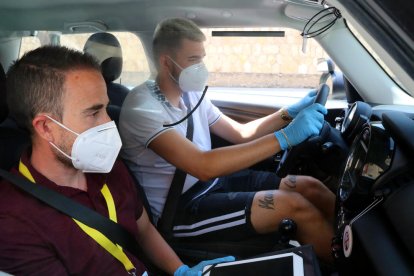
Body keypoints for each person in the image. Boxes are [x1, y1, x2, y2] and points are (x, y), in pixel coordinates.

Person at [0, 46, 233, 275]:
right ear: (46, 127)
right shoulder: (14, 221)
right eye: (93, 113)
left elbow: (143, 230)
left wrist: (179, 269)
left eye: (106, 108)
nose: (109, 123)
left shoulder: (106, 165)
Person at [119, 17, 335, 262]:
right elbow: (203, 166)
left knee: (309, 186)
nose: (200, 67)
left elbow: (241, 134)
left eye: (201, 58)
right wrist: (286, 136)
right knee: (292, 206)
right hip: (180, 210)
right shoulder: (143, 108)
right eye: (193, 60)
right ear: (166, 63)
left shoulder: (192, 94)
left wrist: (288, 113)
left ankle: (350, 240)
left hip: (215, 186)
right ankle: (347, 266)